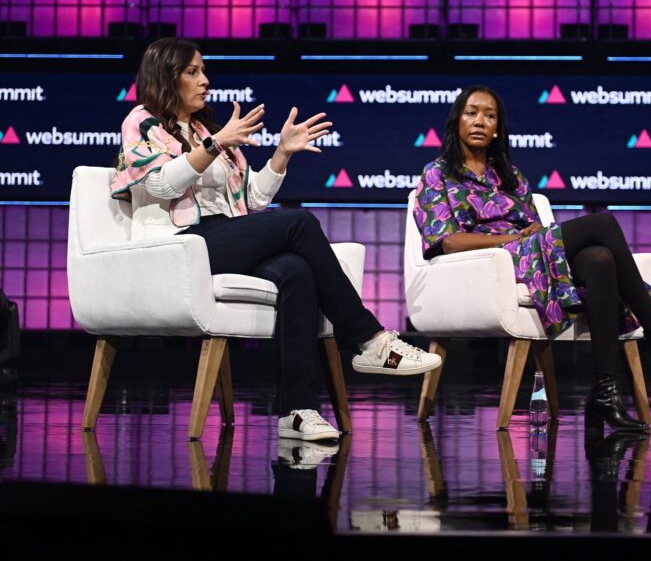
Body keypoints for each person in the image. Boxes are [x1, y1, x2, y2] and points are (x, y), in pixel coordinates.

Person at [111, 38, 441, 442]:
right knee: (299, 222)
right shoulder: (143, 121)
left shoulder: (205, 130)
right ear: (166, 75)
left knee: (296, 271)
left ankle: (296, 411)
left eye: (203, 70)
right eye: (193, 72)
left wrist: (281, 154)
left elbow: (251, 199)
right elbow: (160, 185)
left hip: (221, 238)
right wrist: (216, 145)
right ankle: (368, 339)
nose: (205, 81)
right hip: (179, 245)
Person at [412, 86, 651, 433]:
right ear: (457, 121)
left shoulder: (512, 178)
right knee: (602, 223)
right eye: (471, 113)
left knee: (601, 259)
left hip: (530, 256)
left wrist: (529, 232)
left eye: (489, 115)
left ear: (498, 127)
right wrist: (511, 238)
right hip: (488, 262)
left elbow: (536, 230)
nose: (480, 121)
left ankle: (606, 393)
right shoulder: (437, 174)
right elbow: (448, 241)